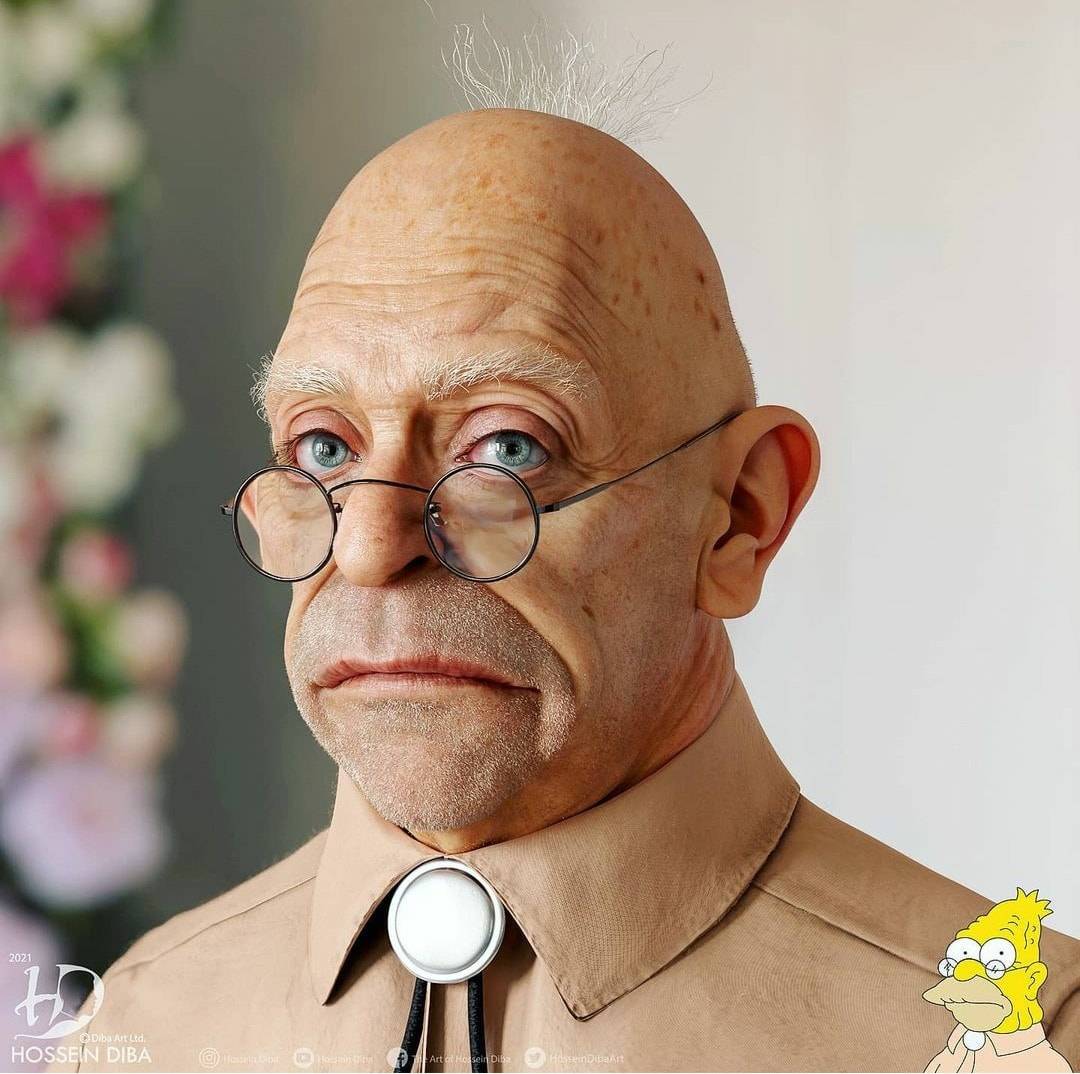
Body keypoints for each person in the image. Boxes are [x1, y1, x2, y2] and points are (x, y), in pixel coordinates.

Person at [47, 99, 1079, 1074]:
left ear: (741, 518)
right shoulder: (135, 1028)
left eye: (510, 443)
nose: (366, 549)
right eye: (323, 446)